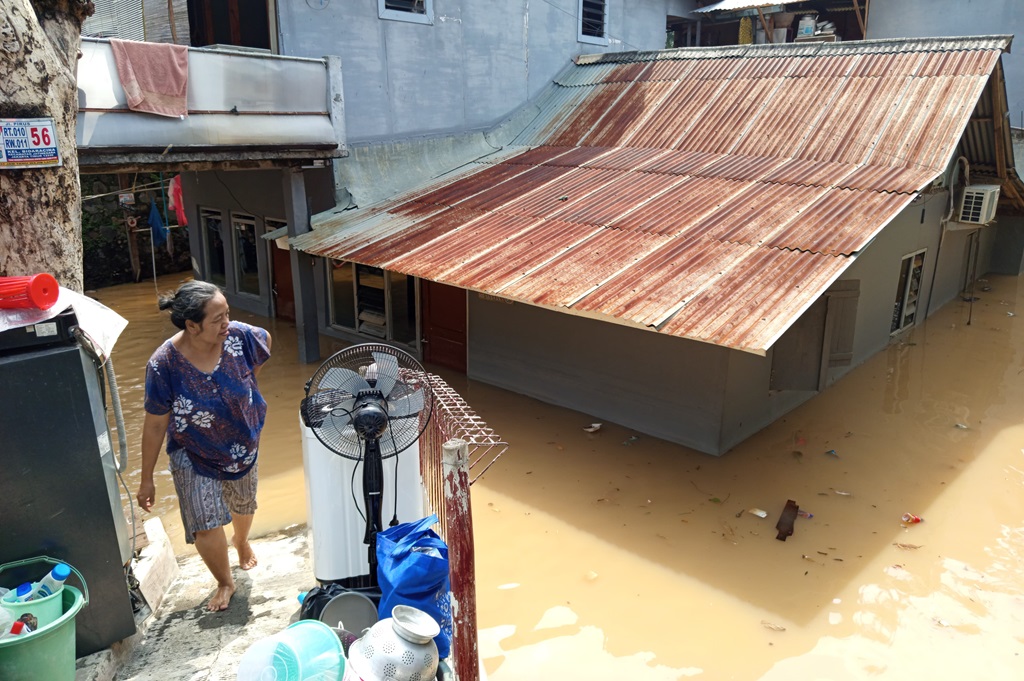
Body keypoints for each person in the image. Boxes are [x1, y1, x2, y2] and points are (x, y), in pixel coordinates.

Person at [137, 280, 272, 611]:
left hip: (241, 441)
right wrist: (146, 478)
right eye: (217, 319)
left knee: (243, 503)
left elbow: (265, 340)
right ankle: (225, 582)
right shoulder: (163, 364)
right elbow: (155, 423)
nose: (227, 323)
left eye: (227, 314)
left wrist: (248, 383)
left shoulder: (239, 336)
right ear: (192, 325)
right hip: (191, 449)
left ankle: (241, 541)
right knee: (204, 522)